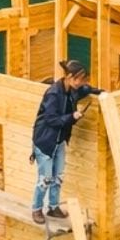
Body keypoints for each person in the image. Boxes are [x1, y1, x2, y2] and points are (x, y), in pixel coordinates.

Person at [30, 59, 103, 224]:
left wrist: (101, 92)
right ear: (70, 77)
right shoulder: (53, 94)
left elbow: (87, 89)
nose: (82, 82)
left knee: (59, 176)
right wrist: (72, 117)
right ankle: (36, 209)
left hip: (59, 140)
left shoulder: (73, 91)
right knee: (46, 178)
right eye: (80, 79)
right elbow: (51, 120)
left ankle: (54, 207)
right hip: (45, 141)